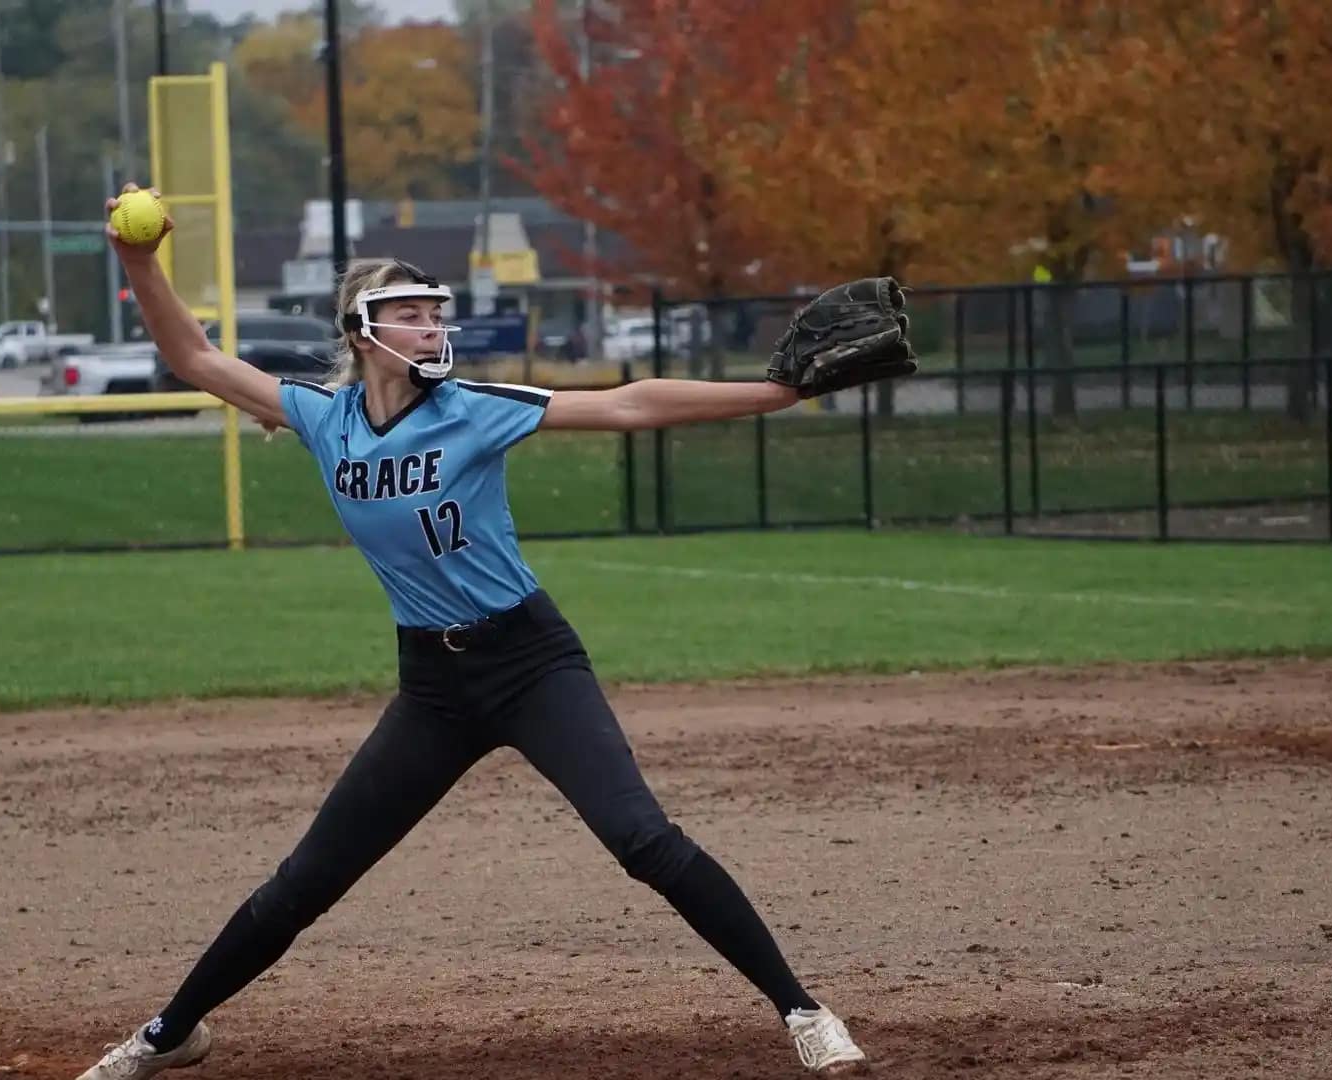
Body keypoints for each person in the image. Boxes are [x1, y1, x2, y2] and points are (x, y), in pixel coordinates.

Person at [78, 185, 869, 1079]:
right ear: (361, 331)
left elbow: (627, 405)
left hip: (530, 662)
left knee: (641, 839)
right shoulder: (322, 418)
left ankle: (804, 1010)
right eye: (408, 315)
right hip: (434, 689)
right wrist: (139, 262)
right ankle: (172, 1032)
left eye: (432, 313)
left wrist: (773, 394)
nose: (428, 328)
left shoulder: (472, 406)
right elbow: (193, 356)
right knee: (309, 878)